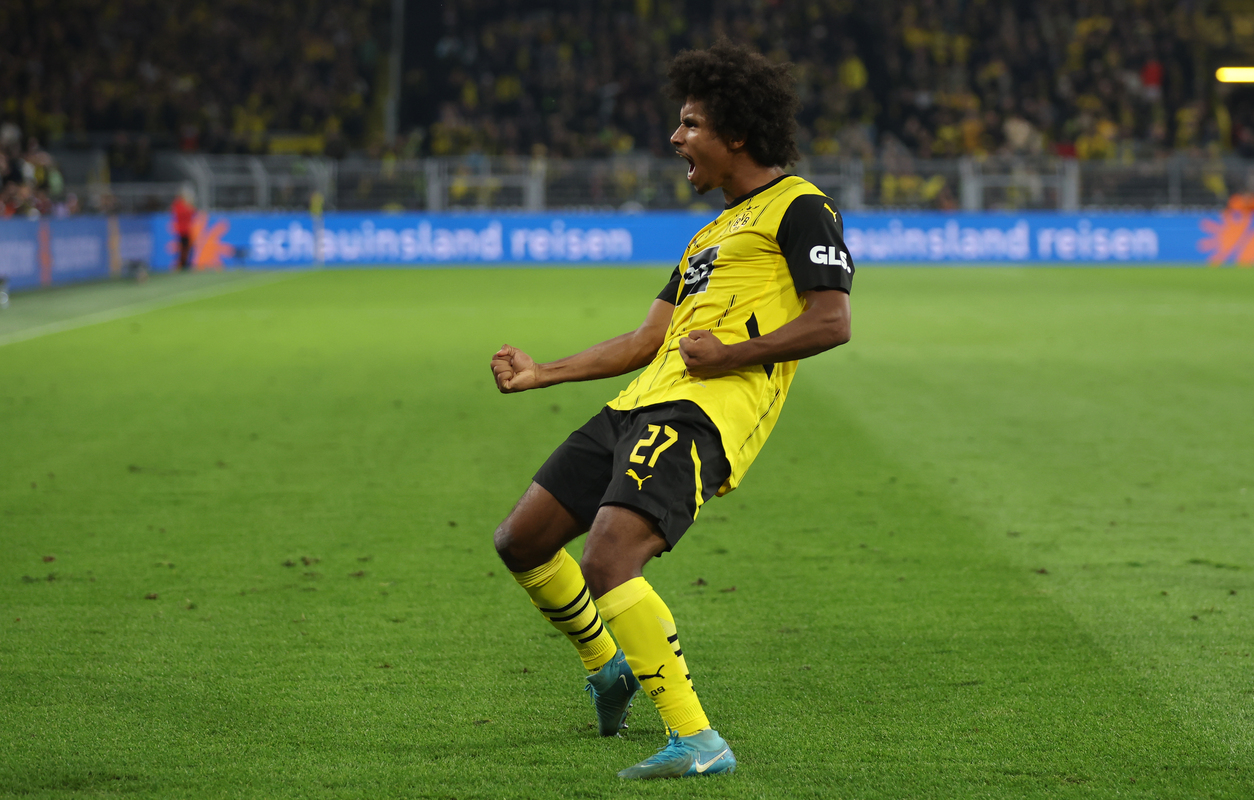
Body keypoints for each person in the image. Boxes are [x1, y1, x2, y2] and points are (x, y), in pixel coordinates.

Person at [490, 40, 854, 780]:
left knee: (610, 557)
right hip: (638, 403)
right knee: (522, 540)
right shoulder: (707, 235)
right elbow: (646, 339)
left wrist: (730, 356)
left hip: (701, 414)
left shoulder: (800, 207)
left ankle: (697, 740)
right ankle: (608, 667)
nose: (675, 138)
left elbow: (831, 321)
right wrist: (542, 373)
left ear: (737, 134)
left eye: (690, 125)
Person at [171, 185, 196, 271]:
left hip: (187, 229)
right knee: (184, 248)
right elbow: (183, 214)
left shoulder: (186, 204)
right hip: (182, 230)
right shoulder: (179, 204)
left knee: (188, 247)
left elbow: (193, 213)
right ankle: (183, 264)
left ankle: (186, 264)